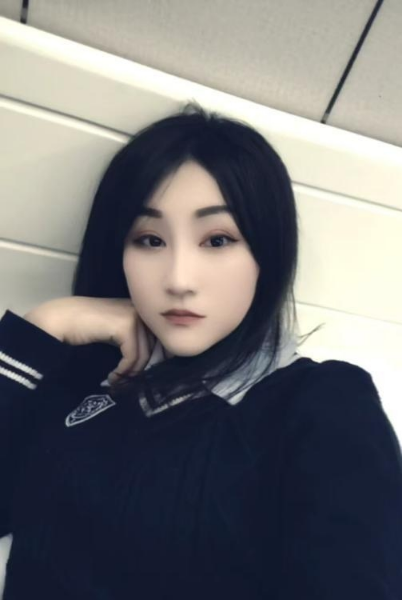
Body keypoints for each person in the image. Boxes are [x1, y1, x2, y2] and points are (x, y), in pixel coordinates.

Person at [1, 102, 401, 599]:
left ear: (267, 252)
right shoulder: (91, 369)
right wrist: (43, 327)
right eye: (150, 239)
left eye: (217, 240)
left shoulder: (322, 404)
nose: (179, 280)